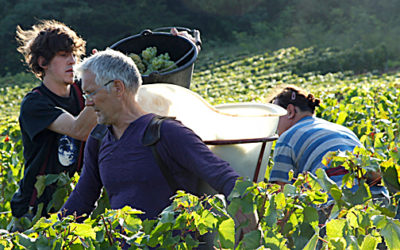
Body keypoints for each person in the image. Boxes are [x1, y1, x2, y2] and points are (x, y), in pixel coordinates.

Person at [60, 49, 240, 222]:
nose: (88, 103)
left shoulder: (167, 133)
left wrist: (246, 227)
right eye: (85, 95)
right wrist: (41, 236)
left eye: (91, 93)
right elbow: (82, 199)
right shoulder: (99, 138)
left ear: (117, 88)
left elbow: (224, 177)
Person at [10, 20, 97, 221]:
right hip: (35, 208)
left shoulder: (81, 90)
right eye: (64, 56)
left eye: (74, 55)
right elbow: (78, 129)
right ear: (43, 63)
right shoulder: (35, 104)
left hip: (77, 201)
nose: (73, 62)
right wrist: (100, 90)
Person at [268, 85, 388, 201]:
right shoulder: (342, 129)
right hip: (378, 200)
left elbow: (280, 194)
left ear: (290, 111)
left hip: (335, 205)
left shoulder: (287, 138)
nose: (274, 123)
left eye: (275, 116)